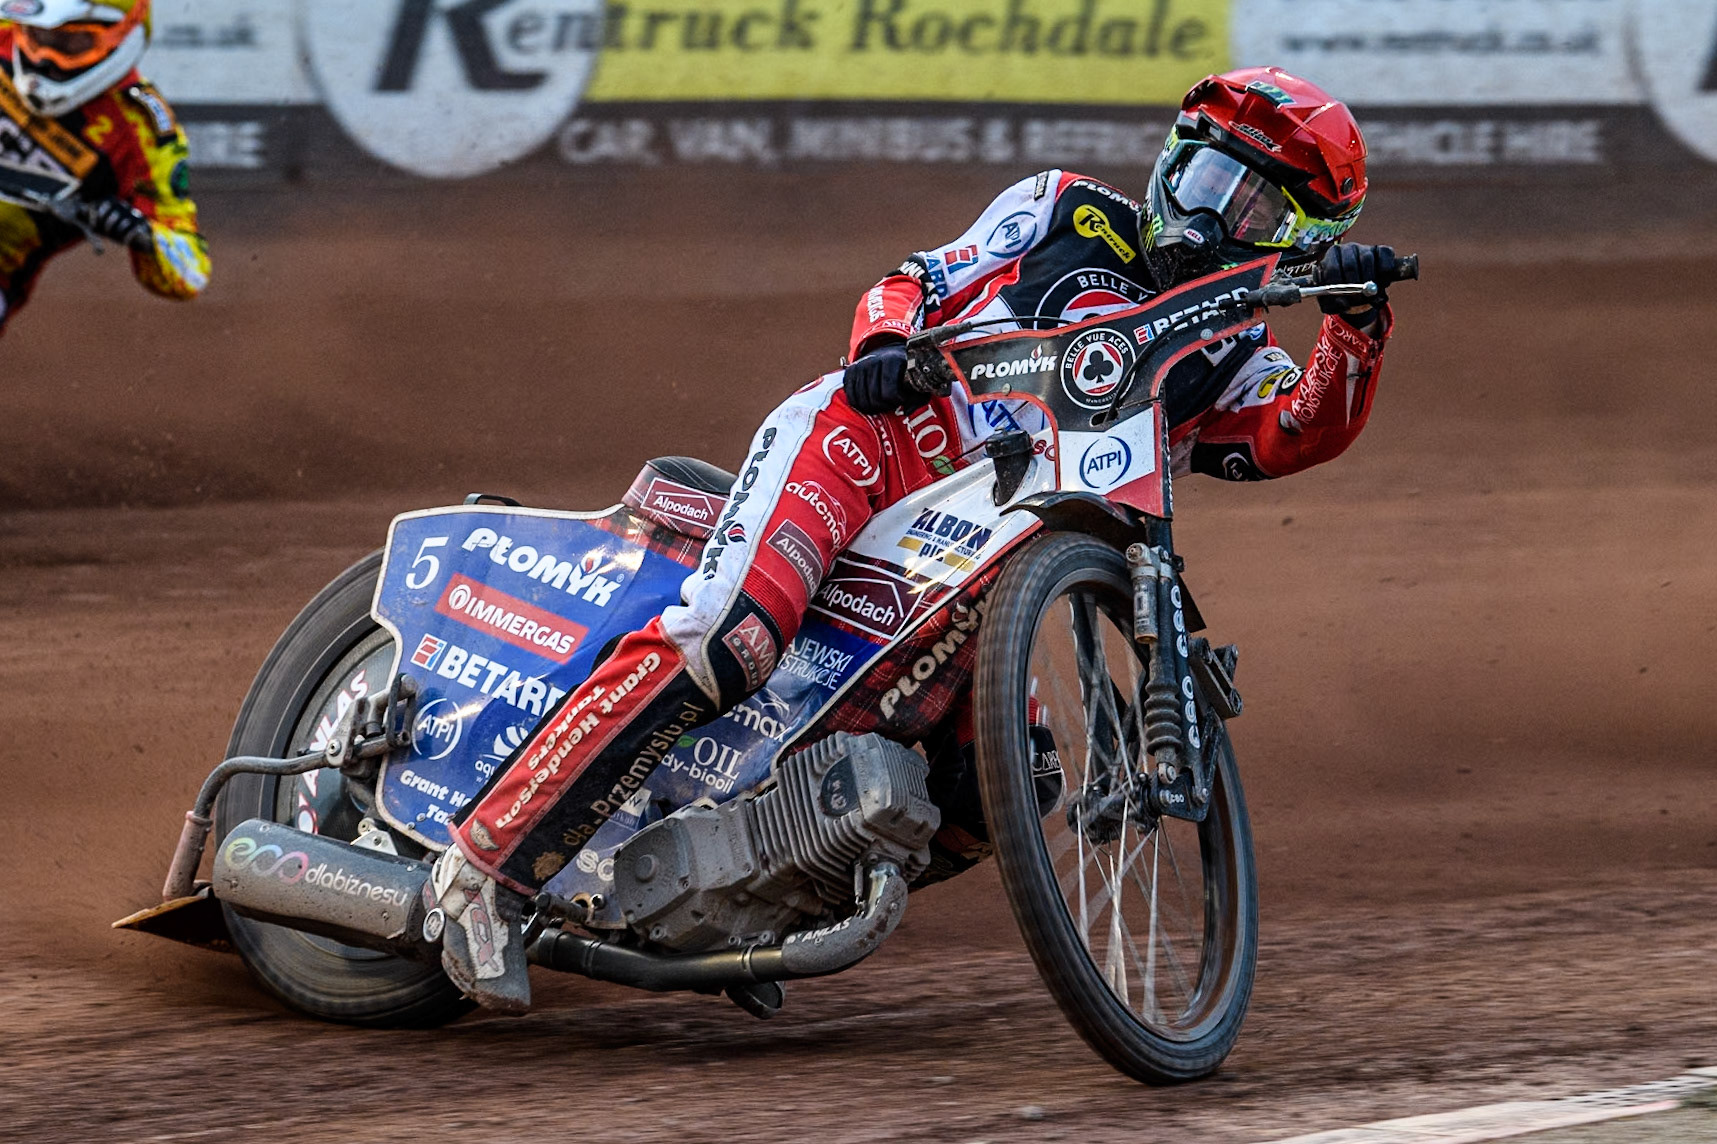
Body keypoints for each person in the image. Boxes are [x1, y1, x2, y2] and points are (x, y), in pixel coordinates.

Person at [426, 66, 1401, 1011]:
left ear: (1302, 239)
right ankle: (481, 872)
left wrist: (1354, 327)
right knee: (732, 639)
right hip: (874, 446)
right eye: (1206, 177)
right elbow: (919, 277)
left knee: (1001, 787)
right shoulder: (1064, 206)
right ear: (1169, 162)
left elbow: (1290, 432)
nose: (1210, 215)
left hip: (991, 561)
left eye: (1252, 207)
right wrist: (884, 344)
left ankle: (758, 894)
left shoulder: (1235, 351)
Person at [0, 0, 209, 335]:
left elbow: (190, 273)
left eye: (71, 42)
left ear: (121, 35)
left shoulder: (141, 131)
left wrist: (137, 231)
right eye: (38, 36)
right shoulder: (4, 34)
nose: (45, 58)